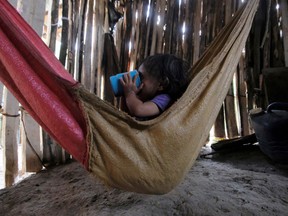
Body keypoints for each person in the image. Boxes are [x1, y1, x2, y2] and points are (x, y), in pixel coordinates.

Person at [120, 54, 190, 119]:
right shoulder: (148, 96)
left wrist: (130, 93)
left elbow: (138, 110)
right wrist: (125, 95)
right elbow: (127, 115)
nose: (138, 80)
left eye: (141, 77)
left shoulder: (164, 99)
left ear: (161, 85)